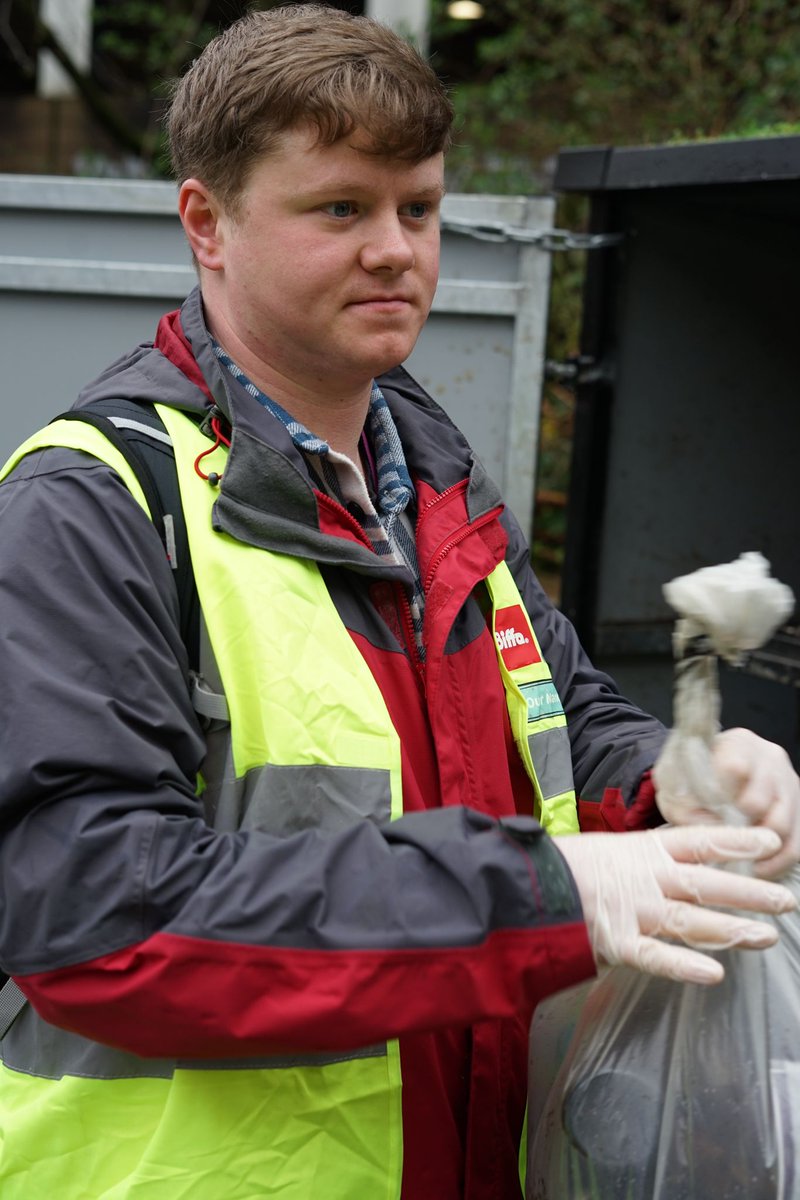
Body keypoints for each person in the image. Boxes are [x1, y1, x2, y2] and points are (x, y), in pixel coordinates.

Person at [0, 6, 797, 1199]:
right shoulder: (93, 505)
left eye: (417, 208)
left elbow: (558, 714)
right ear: (206, 223)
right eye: (340, 208)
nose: (395, 250)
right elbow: (97, 916)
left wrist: (662, 774)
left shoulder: (431, 485)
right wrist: (547, 894)